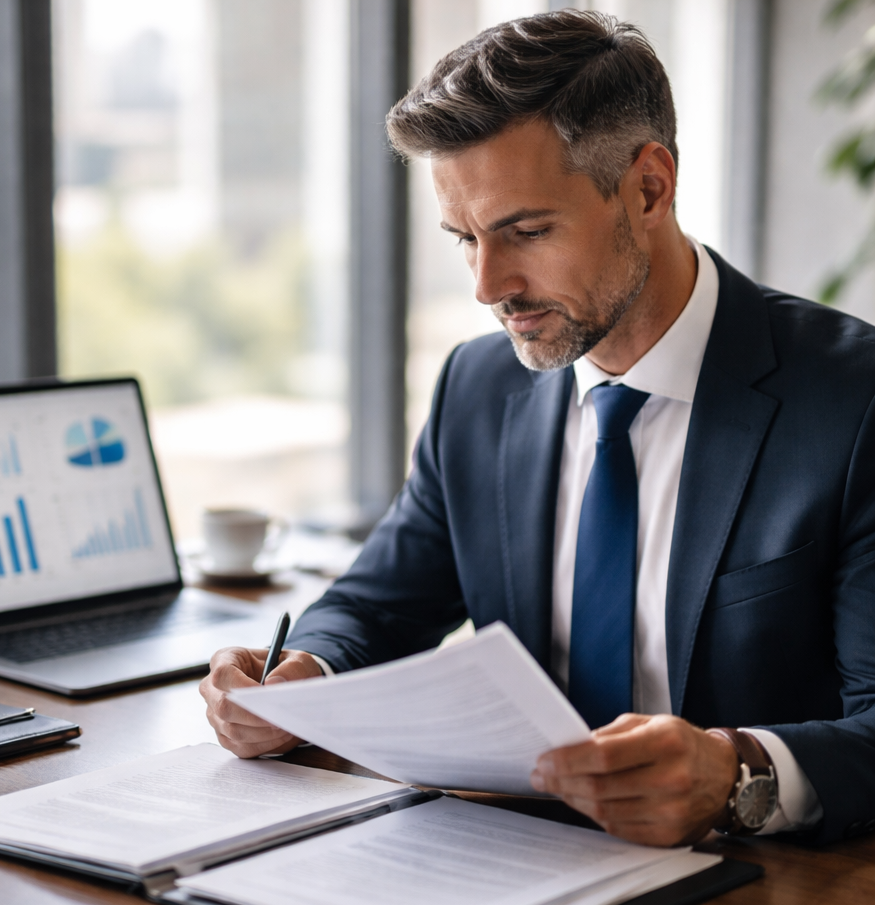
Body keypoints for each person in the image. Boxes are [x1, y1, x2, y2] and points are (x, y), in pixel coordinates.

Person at [201, 11, 875, 847]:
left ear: (648, 187)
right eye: (465, 240)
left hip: (753, 891)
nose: (488, 286)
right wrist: (301, 674)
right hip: (507, 860)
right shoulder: (477, 389)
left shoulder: (853, 403)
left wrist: (737, 772)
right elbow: (376, 606)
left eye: (526, 232)